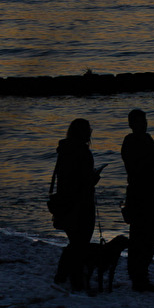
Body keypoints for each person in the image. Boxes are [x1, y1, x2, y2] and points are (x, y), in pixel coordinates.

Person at [119, 107, 154, 292]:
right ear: (131, 124)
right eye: (140, 121)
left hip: (150, 194)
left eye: (145, 121)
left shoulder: (147, 139)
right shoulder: (130, 141)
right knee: (140, 237)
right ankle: (138, 278)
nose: (144, 125)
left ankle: (140, 275)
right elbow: (138, 165)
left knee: (151, 236)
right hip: (138, 195)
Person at [50, 117, 105, 292]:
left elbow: (67, 179)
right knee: (80, 244)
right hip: (81, 204)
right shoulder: (82, 152)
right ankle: (75, 280)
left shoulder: (64, 150)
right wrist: (94, 178)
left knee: (75, 242)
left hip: (66, 202)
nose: (90, 132)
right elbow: (83, 181)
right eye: (88, 130)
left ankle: (62, 275)